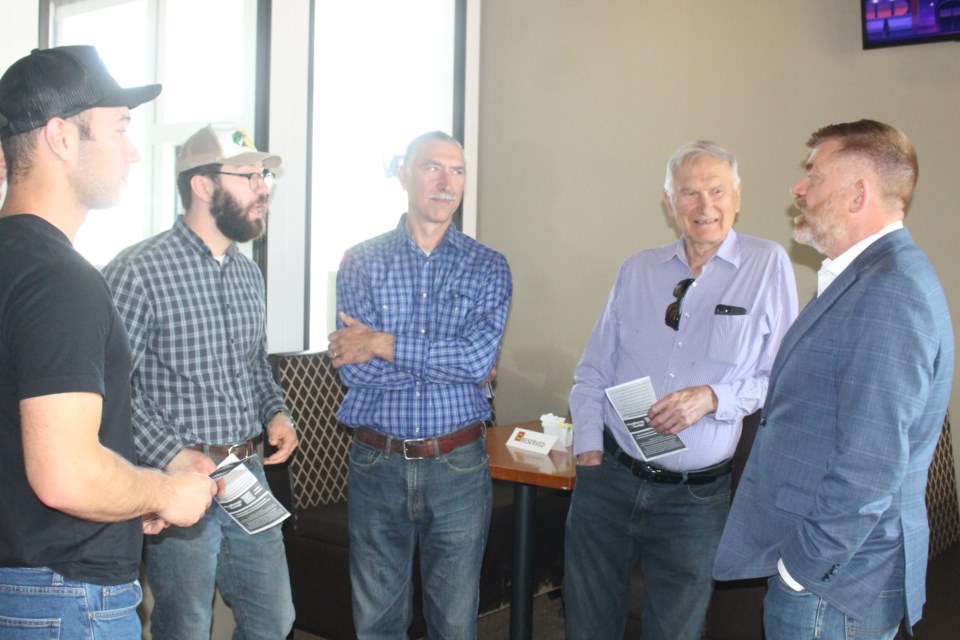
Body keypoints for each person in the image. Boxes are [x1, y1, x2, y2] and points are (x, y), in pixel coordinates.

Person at [0, 45, 217, 638]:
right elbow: (65, 473)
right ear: (61, 138)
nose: (132, 150)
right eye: (118, 128)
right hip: (64, 598)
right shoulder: (60, 279)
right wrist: (165, 491)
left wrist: (129, 496)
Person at [713, 120, 954, 639]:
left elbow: (871, 463)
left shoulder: (891, 291)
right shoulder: (870, 276)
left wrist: (802, 570)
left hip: (835, 583)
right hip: (835, 574)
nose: (798, 189)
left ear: (858, 193)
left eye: (814, 176)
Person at [564, 140, 799, 640]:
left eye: (716, 190)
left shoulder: (767, 265)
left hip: (693, 501)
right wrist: (587, 450)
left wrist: (713, 396)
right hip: (609, 480)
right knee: (586, 624)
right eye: (688, 193)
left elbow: (779, 378)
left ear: (738, 196)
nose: (704, 205)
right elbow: (592, 371)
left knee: (675, 630)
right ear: (669, 202)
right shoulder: (637, 269)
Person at [103, 122, 299, 638]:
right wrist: (172, 454)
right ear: (202, 185)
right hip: (176, 481)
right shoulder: (137, 271)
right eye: (249, 176)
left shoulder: (246, 271)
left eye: (265, 177)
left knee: (274, 621)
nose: (263, 188)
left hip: (245, 472)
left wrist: (275, 411)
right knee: (186, 626)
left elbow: (255, 362)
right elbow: (111, 390)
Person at [327, 130, 512, 638]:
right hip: (375, 461)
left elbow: (477, 361)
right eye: (433, 167)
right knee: (377, 621)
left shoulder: (488, 266)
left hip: (458, 465)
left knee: (454, 621)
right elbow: (355, 368)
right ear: (405, 174)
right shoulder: (361, 260)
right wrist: (442, 361)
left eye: (457, 170)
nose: (446, 181)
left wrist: (382, 341)